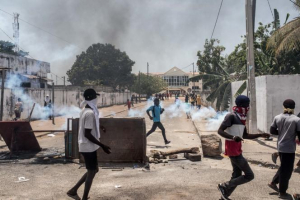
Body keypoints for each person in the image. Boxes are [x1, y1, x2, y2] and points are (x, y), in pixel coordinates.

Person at [217, 95, 270, 200]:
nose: (248, 106)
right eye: (247, 103)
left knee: (237, 175)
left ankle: (224, 196)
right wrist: (233, 137)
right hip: (232, 150)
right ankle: (224, 185)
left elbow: (245, 135)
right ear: (241, 104)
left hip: (237, 149)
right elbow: (220, 131)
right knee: (249, 175)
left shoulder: (241, 118)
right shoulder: (231, 116)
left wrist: (260, 135)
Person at [67, 88, 111, 200]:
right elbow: (87, 134)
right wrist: (102, 145)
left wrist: (100, 126)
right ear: (92, 98)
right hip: (88, 146)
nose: (97, 99)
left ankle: (73, 190)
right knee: (92, 171)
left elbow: (90, 125)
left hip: (88, 146)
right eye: (95, 97)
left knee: (93, 170)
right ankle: (84, 198)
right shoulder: (90, 113)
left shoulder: (85, 110)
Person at [268, 99, 300, 198]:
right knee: (287, 171)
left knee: (284, 167)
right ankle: (282, 192)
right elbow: (299, 134)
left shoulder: (277, 117)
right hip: (289, 148)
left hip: (281, 147)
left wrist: (281, 133)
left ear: (283, 106)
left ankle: (273, 182)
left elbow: (272, 130)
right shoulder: (296, 120)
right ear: (294, 107)